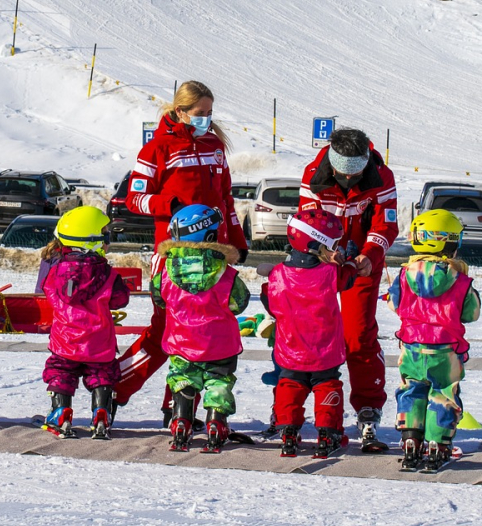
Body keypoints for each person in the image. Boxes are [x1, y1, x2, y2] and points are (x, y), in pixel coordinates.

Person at [117, 80, 248, 422]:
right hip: (172, 252)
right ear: (180, 111)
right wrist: (168, 203)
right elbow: (133, 199)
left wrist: (236, 240)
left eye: (210, 113)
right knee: (165, 333)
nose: (206, 119)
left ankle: (177, 405)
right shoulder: (157, 149)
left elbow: (226, 199)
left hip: (212, 253)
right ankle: (117, 386)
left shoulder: (215, 146)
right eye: (200, 113)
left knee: (200, 331)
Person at [298, 126, 398, 453]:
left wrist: (369, 255)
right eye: (343, 174)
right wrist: (323, 253)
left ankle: (368, 406)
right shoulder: (314, 175)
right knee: (313, 331)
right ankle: (298, 403)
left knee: (357, 333)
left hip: (363, 262)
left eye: (356, 174)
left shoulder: (381, 176)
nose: (349, 181)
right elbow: (307, 223)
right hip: (323, 261)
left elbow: (386, 224)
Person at [390, 209, 481, 472]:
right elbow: (471, 313)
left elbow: (395, 305)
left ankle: (410, 440)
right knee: (442, 394)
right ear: (449, 243)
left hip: (411, 348)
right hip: (445, 350)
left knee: (412, 390)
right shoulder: (459, 280)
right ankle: (438, 444)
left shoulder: (404, 275)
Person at [155, 204, 249, 453]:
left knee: (184, 380)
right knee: (218, 382)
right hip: (220, 345)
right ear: (210, 235)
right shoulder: (226, 273)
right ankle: (216, 422)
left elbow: (159, 297)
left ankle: (181, 421)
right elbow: (238, 303)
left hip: (181, 343)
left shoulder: (165, 271)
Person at [262, 210, 354, 459]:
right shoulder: (331, 273)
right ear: (315, 244)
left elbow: (272, 304)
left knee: (289, 386)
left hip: (291, 350)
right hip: (325, 351)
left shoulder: (278, 275)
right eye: (331, 244)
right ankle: (327, 433)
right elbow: (348, 278)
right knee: (327, 386)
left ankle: (288, 431)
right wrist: (351, 260)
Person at [40, 207, 130, 439]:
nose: (108, 240)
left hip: (65, 341)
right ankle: (101, 412)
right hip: (99, 343)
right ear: (92, 241)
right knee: (101, 375)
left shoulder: (55, 271)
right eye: (105, 235)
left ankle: (61, 412)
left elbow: (48, 293)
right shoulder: (108, 274)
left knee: (61, 372)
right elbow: (120, 300)